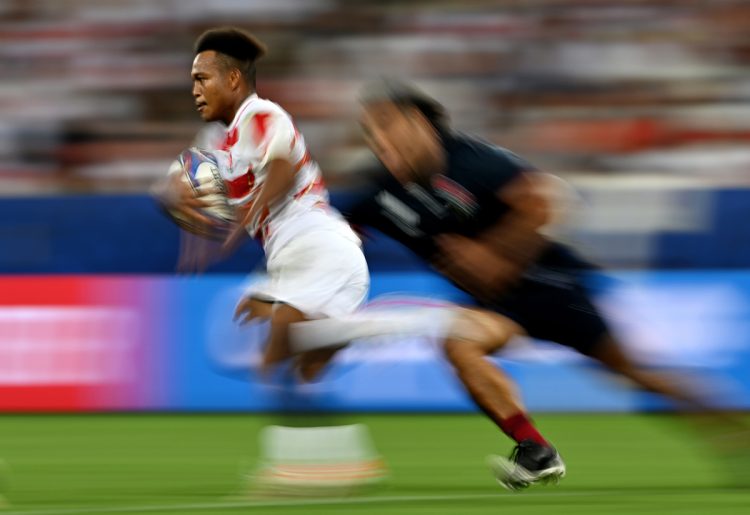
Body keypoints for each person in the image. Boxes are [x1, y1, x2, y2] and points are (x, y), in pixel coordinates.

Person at [328, 78, 743, 490]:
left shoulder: (473, 161)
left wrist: (494, 253)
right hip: (496, 306)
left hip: (551, 287)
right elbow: (334, 235)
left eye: (385, 125)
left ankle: (734, 429)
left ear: (418, 122)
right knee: (459, 343)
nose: (378, 139)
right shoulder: (379, 192)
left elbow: (541, 202)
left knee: (635, 374)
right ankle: (535, 449)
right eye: (370, 131)